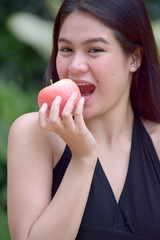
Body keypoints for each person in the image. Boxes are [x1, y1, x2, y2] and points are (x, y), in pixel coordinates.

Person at [7, 0, 160, 239]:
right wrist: (83, 158)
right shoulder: (34, 133)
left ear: (134, 59)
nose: (75, 67)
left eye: (94, 50)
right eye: (66, 49)